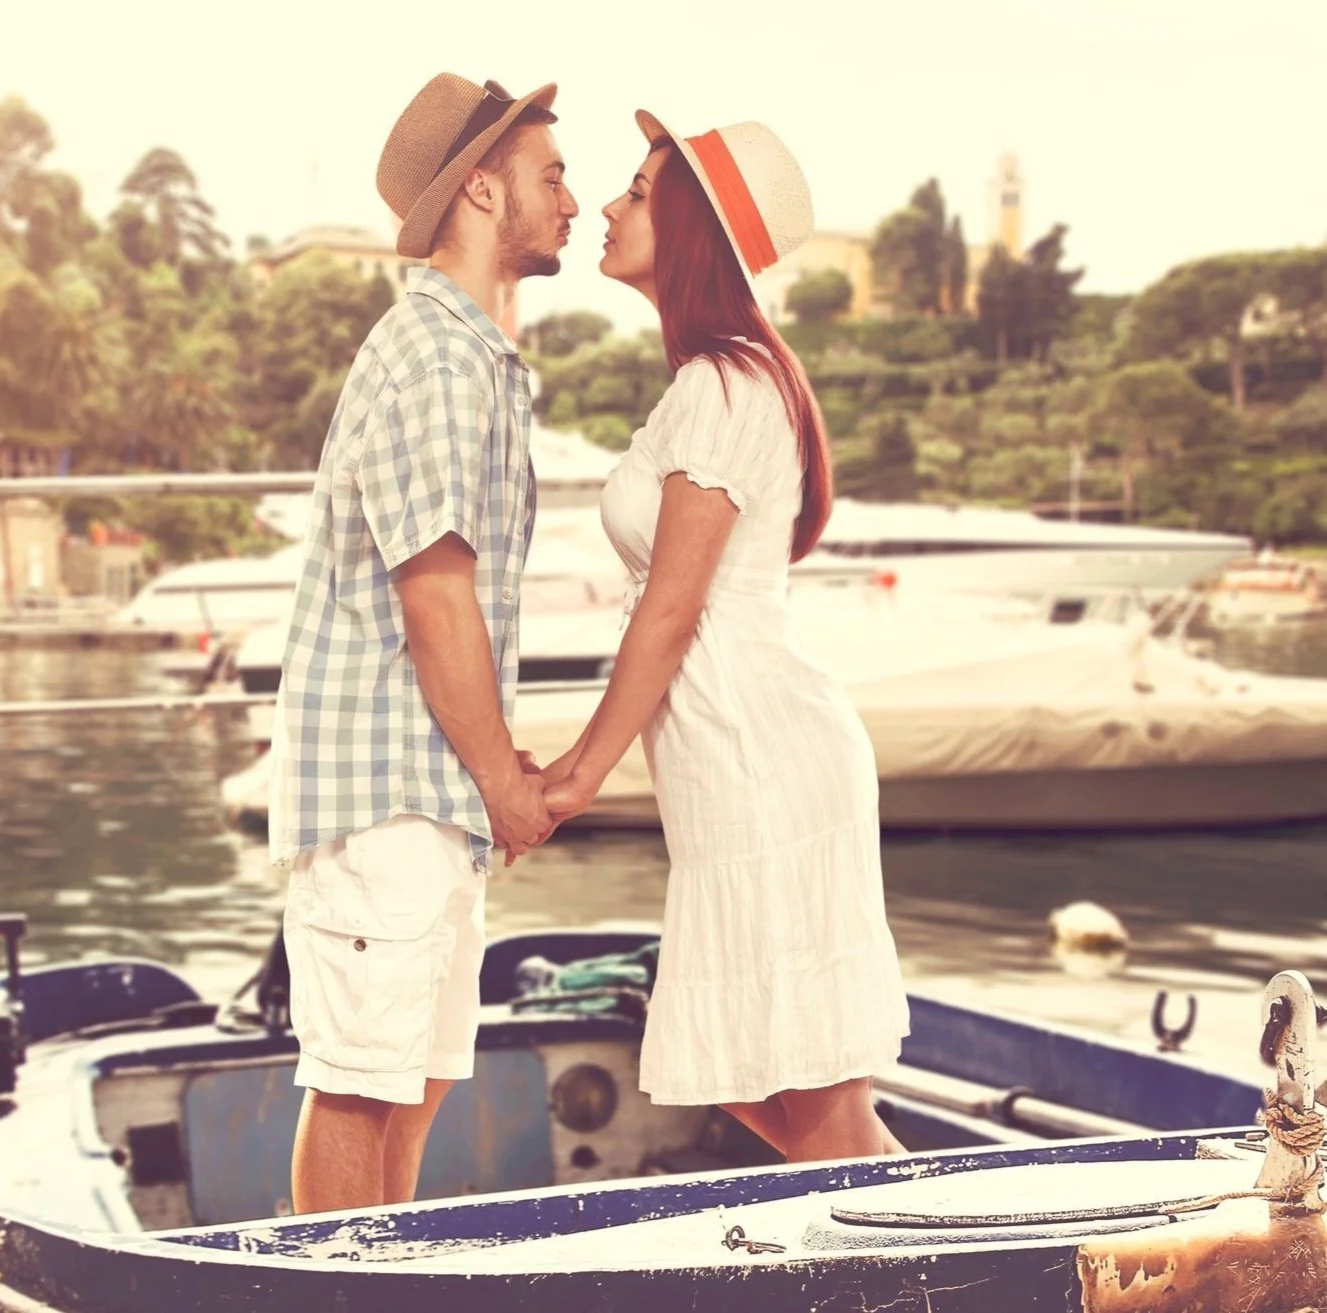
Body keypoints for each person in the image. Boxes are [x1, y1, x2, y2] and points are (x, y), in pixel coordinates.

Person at [534, 112, 910, 1161]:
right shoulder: (725, 378)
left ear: (694, 227)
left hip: (761, 764)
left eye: (640, 190)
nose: (610, 206)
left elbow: (672, 607)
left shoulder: (723, 383)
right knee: (789, 1101)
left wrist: (575, 775)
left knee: (819, 1111)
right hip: (738, 762)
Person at [272, 72, 576, 1214]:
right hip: (390, 785)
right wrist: (505, 783)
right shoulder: (437, 360)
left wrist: (486, 783)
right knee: (361, 1084)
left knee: (415, 1078)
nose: (575, 199)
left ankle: (377, 1284)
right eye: (553, 175)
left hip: (425, 788)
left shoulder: (474, 357)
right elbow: (436, 600)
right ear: (486, 190)